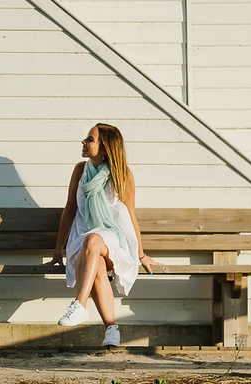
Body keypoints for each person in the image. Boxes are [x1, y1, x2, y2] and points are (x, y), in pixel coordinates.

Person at [48, 123, 157, 348]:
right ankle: (112, 329)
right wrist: (58, 249)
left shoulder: (122, 174)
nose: (84, 142)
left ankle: (80, 304)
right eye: (86, 138)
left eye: (90, 139)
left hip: (114, 239)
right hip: (84, 237)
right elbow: (70, 210)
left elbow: (130, 215)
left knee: (95, 241)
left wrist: (141, 254)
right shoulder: (80, 170)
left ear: (105, 148)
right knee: (94, 258)